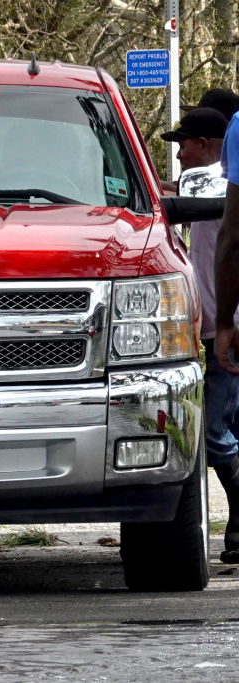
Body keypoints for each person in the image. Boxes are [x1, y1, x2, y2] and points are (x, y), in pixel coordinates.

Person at [162, 107, 239, 562]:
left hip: (225, 325)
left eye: (183, 144)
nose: (179, 155)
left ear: (209, 146)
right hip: (215, 323)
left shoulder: (200, 183)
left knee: (212, 432)